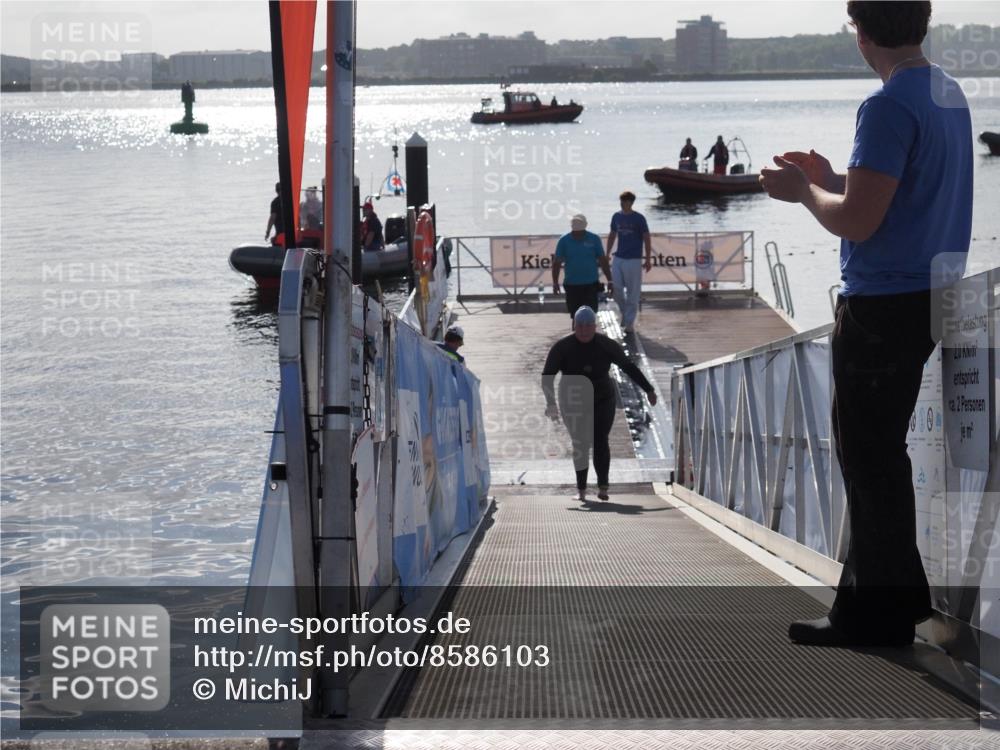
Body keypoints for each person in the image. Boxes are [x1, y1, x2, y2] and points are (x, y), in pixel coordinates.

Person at [759, 0, 972, 648]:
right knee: (882, 457)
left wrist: (803, 191)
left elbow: (857, 222)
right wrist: (829, 177)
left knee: (868, 458)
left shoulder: (885, 106)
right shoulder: (947, 93)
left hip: (881, 306)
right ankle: (886, 602)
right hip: (931, 297)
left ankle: (873, 616)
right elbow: (897, 192)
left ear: (862, 31)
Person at [542, 306, 657, 501]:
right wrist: (551, 403)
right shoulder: (562, 347)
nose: (585, 331)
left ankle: (603, 487)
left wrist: (649, 389)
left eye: (589, 326)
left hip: (603, 398)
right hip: (572, 401)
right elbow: (547, 377)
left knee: (600, 440)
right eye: (580, 326)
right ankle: (581, 490)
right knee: (580, 443)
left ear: (595, 327)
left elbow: (628, 367)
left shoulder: (606, 345)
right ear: (573, 325)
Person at [606, 191, 652, 333]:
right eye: (621, 201)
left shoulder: (639, 218)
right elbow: (613, 235)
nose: (623, 203)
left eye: (625, 201)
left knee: (633, 292)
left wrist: (648, 258)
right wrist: (607, 253)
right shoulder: (616, 216)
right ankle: (626, 315)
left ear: (631, 203)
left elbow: (646, 238)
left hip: (634, 259)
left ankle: (629, 322)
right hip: (619, 258)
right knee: (617, 289)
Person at [552, 214, 613, 319]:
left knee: (591, 315)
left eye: (579, 225)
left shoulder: (594, 239)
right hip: (572, 285)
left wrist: (610, 281)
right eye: (575, 225)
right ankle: (577, 333)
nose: (577, 230)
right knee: (575, 316)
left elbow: (603, 261)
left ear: (585, 225)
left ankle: (590, 334)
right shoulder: (564, 240)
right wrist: (555, 282)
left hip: (591, 284)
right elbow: (556, 263)